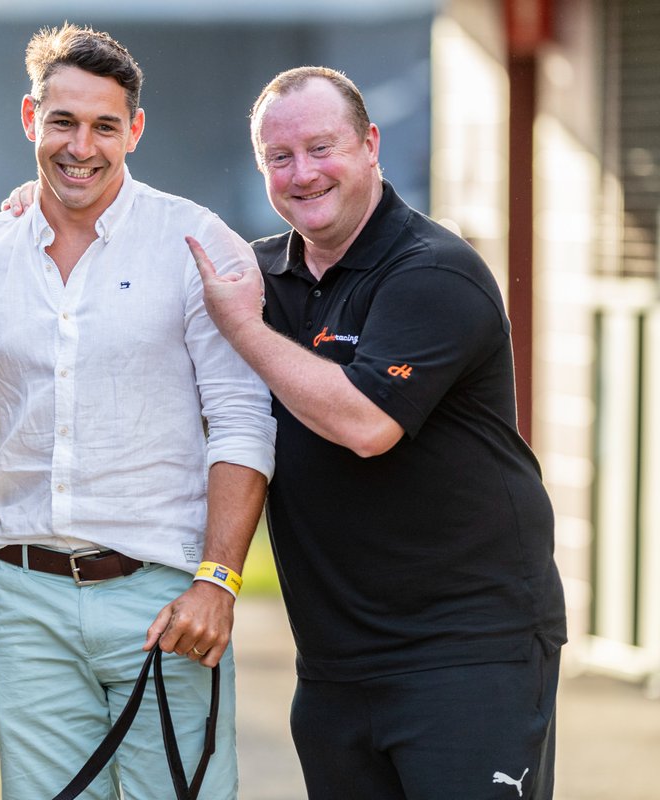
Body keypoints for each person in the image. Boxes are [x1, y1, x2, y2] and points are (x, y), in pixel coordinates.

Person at [0, 24, 275, 800]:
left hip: (166, 601)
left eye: (104, 126)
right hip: (25, 605)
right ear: (31, 118)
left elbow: (241, 422)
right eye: (62, 122)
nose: (81, 147)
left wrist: (218, 582)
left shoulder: (195, 244)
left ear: (135, 131)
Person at [184, 68, 568, 799]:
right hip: (335, 666)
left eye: (321, 147)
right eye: (279, 157)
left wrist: (243, 328)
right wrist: (42, 212)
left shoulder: (435, 270)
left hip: (468, 654)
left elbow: (366, 423)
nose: (302, 173)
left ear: (369, 146)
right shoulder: (259, 278)